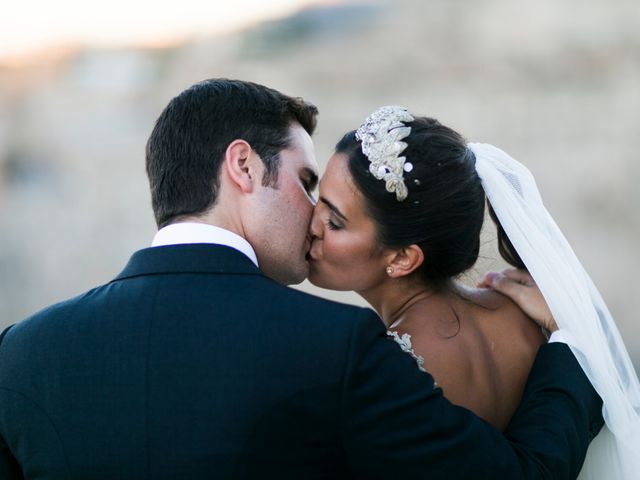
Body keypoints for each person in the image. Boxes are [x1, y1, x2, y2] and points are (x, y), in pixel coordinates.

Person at [0, 81, 603, 479]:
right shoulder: (336, 346)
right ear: (243, 166)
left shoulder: (20, 353)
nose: (312, 213)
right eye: (306, 181)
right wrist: (575, 346)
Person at [307, 105, 640, 478]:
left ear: (402, 258)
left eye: (335, 221)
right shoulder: (526, 317)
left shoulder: (393, 368)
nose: (312, 223)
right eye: (316, 198)